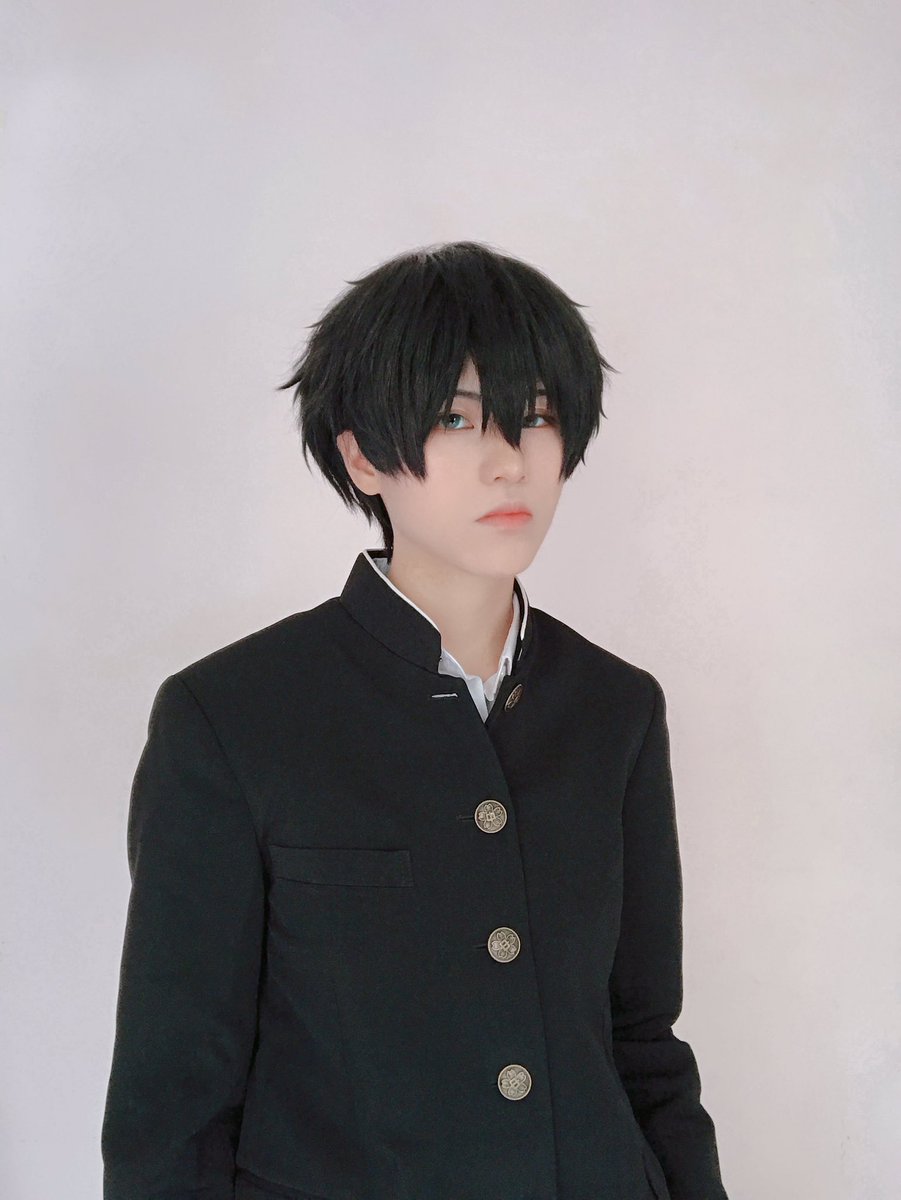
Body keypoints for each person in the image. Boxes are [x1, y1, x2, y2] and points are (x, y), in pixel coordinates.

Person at [101, 241, 730, 1199]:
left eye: (537, 417)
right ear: (361, 454)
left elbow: (642, 1040)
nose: (508, 462)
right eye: (454, 419)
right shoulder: (230, 717)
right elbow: (173, 1103)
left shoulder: (616, 708)